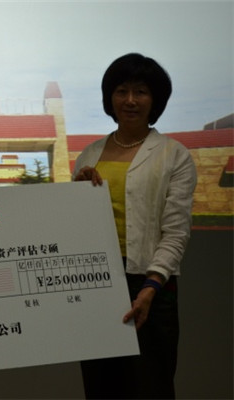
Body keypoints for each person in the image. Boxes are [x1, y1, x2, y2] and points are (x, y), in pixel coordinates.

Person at [73, 53, 196, 399]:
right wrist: (77, 194)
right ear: (109, 97)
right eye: (121, 91)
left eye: (141, 91)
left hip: (150, 287)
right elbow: (75, 227)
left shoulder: (174, 155)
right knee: (100, 386)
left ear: (155, 100)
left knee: (150, 386)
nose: (130, 100)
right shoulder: (88, 155)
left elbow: (176, 231)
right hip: (96, 283)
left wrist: (151, 286)